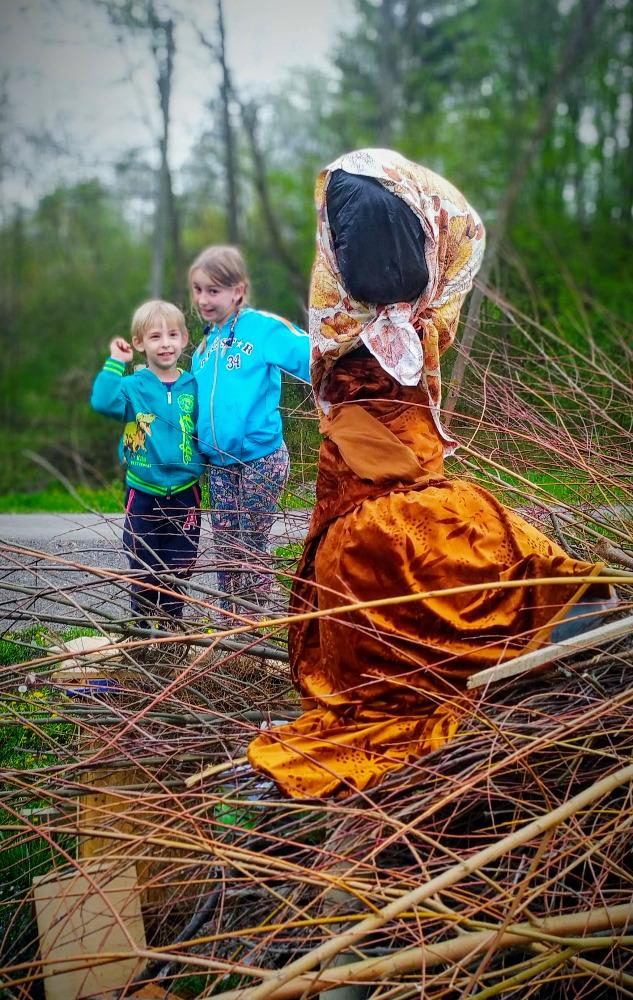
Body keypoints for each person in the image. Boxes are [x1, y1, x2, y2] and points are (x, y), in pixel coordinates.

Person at [247, 148, 615, 799]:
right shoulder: (376, 330)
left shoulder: (392, 327)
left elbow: (388, 457)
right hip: (366, 495)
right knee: (400, 543)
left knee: (412, 540)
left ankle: (518, 619)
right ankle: (515, 620)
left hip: (380, 496)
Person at [189, 245, 310, 609]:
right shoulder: (202, 350)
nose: (203, 299)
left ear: (238, 290)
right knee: (225, 546)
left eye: (213, 290)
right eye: (197, 290)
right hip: (220, 465)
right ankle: (230, 623)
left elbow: (313, 357)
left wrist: (344, 390)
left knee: (251, 544)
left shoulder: (261, 328)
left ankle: (258, 620)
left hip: (261, 457)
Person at [91, 299, 205, 626]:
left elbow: (207, 426)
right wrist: (116, 362)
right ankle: (141, 631)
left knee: (180, 566)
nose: (165, 343)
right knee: (143, 567)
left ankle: (171, 629)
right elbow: (102, 401)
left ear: (184, 339)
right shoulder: (132, 387)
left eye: (172, 335)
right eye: (155, 336)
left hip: (185, 493)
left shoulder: (193, 385)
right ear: (139, 343)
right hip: (142, 492)